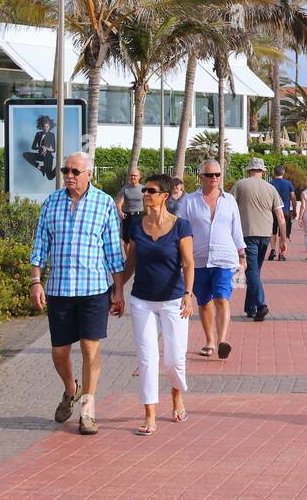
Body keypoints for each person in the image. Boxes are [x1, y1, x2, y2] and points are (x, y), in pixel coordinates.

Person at [29, 151, 125, 435]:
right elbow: (39, 246)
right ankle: (71, 388)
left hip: (94, 289)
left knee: (89, 346)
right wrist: (36, 281)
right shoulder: (51, 203)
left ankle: (88, 409)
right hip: (59, 289)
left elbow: (113, 253)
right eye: (65, 171)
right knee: (59, 351)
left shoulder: (104, 203)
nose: (69, 176)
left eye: (75, 172)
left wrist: (118, 291)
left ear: (89, 174)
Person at [110, 174, 194, 435]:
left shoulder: (181, 226)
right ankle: (149, 414)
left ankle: (177, 394)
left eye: (151, 190)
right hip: (141, 300)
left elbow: (188, 263)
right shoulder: (136, 225)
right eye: (145, 190)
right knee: (147, 358)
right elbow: (131, 262)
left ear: (165, 197)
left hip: (173, 300)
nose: (145, 194)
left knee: (174, 360)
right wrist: (118, 292)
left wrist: (188, 294)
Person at [177, 159, 246, 359]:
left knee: (222, 298)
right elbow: (182, 229)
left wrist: (242, 255)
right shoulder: (189, 201)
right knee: (205, 301)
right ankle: (209, 340)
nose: (214, 178)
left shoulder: (229, 200)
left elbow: (237, 230)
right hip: (198, 260)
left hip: (225, 259)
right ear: (201, 177)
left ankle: (222, 340)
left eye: (217, 174)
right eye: (209, 175)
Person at [233, 157, 287, 322]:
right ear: (263, 172)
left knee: (251, 272)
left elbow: (228, 207)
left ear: (249, 170)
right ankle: (251, 308)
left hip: (247, 233)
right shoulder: (271, 189)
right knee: (254, 271)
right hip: (265, 235)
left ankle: (261, 305)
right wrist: (283, 240)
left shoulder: (240, 185)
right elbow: (280, 217)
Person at [268, 165, 295, 261]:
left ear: (274, 173)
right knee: (283, 233)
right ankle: (281, 253)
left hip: (273, 211)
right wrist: (294, 209)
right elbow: (293, 196)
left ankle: (272, 250)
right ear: (283, 173)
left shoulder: (270, 183)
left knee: (273, 231)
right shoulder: (288, 183)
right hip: (285, 211)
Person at [22, 115, 58, 180]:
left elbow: (54, 150)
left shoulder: (51, 135)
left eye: (47, 126)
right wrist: (41, 147)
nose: (46, 128)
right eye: (44, 127)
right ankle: (40, 167)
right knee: (25, 154)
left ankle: (59, 166)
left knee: (49, 177)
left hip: (48, 157)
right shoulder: (38, 134)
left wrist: (47, 148)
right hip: (40, 155)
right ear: (41, 127)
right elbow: (33, 147)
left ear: (49, 126)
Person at [116, 169, 144, 241]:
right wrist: (119, 212)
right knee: (126, 238)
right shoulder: (125, 189)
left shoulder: (143, 189)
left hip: (139, 215)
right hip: (127, 215)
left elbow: (148, 202)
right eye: (132, 175)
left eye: (135, 176)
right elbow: (119, 202)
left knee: (138, 237)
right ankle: (128, 252)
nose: (133, 177)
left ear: (139, 177)